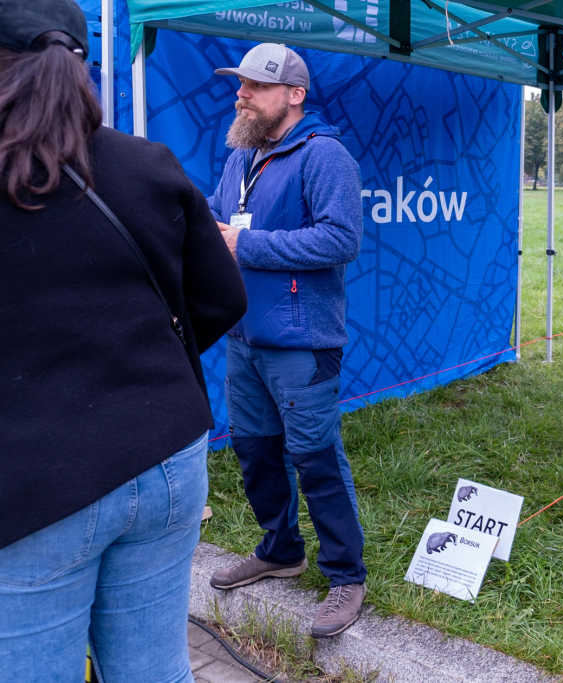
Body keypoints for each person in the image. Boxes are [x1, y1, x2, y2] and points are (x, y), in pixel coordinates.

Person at [0, 1, 248, 681]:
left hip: (33, 486)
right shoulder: (146, 163)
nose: (242, 95)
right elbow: (222, 296)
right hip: (168, 453)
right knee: (154, 667)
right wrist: (139, 366)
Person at [205, 43, 367, 638]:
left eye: (255, 86)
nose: (241, 94)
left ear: (295, 94)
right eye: (239, 83)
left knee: (315, 458)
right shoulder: (242, 154)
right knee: (255, 453)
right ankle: (280, 551)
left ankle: (346, 575)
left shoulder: (325, 156)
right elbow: (219, 217)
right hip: (244, 337)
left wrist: (244, 246)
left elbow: (339, 240)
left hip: (302, 341)